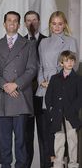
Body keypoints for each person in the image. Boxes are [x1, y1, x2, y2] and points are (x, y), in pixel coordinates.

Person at [0, 11, 37, 168]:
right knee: (4, 139)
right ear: (4, 24)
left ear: (19, 25)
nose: (12, 23)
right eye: (9, 20)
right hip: (2, 97)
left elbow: (32, 69)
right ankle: (5, 166)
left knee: (21, 139)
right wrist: (4, 85)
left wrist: (16, 84)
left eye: (15, 21)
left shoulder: (28, 45)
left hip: (20, 97)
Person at [36, 11, 78, 164]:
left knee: (66, 133)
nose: (57, 27)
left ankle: (67, 163)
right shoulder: (43, 43)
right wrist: (41, 81)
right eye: (54, 23)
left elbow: (74, 66)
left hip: (62, 89)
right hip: (45, 89)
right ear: (50, 25)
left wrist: (55, 82)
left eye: (60, 23)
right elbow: (40, 65)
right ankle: (51, 164)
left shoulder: (71, 41)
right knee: (49, 132)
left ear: (65, 24)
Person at [45, 50, 82, 168]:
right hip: (57, 115)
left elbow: (80, 97)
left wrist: (73, 110)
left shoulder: (78, 79)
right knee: (59, 141)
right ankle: (58, 164)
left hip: (71, 115)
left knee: (72, 141)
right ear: (61, 63)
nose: (70, 63)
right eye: (67, 60)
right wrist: (51, 110)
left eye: (72, 60)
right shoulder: (55, 78)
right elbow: (48, 96)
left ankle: (73, 164)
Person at [23, 11, 48, 168]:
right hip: (25, 98)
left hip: (44, 96)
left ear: (39, 21)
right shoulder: (20, 42)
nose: (31, 23)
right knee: (25, 139)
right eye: (28, 20)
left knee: (45, 137)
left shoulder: (48, 41)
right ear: (25, 23)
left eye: (34, 20)